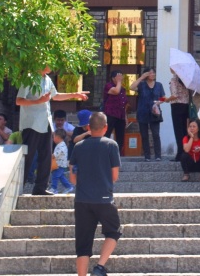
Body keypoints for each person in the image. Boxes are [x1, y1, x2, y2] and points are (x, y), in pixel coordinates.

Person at [16, 67, 89, 196]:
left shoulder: (48, 79)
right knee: (28, 157)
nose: (52, 66)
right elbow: (19, 100)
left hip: (46, 123)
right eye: (49, 62)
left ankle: (40, 188)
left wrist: (75, 94)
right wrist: (38, 101)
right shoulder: (29, 77)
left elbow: (56, 96)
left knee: (46, 157)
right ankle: (17, 187)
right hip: (32, 124)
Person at [69, 112, 122, 276]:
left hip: (82, 199)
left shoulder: (78, 147)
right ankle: (99, 267)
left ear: (88, 128)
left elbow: (72, 178)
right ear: (106, 127)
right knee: (113, 231)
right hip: (104, 198)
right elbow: (114, 176)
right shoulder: (111, 145)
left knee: (83, 244)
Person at [133, 68, 165, 161]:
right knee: (144, 135)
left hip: (154, 112)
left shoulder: (159, 85)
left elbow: (163, 98)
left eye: (154, 72)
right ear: (146, 74)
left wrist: (158, 102)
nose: (153, 74)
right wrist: (141, 78)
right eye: (150, 73)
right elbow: (131, 87)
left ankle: (158, 155)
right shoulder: (141, 85)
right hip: (142, 112)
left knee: (156, 134)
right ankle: (147, 156)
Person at [162, 68, 192, 162]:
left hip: (176, 106)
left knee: (178, 131)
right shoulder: (185, 80)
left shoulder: (174, 79)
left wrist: (167, 100)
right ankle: (185, 152)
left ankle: (180, 154)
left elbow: (174, 95)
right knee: (184, 130)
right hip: (185, 105)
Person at [101, 71, 129, 155]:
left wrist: (125, 117)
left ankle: (117, 154)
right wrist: (119, 82)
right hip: (110, 114)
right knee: (107, 133)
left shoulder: (123, 89)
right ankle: (104, 153)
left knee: (120, 136)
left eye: (121, 76)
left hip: (120, 115)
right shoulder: (109, 86)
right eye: (118, 76)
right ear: (113, 78)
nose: (120, 78)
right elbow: (116, 91)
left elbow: (124, 104)